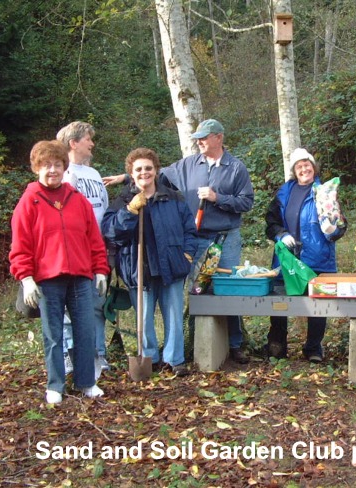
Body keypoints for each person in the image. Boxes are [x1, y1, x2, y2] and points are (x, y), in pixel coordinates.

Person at [103, 119, 254, 364]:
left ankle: (234, 343)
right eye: (198, 138)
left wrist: (218, 197)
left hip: (225, 238)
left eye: (204, 137)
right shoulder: (187, 164)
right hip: (194, 238)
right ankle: (193, 342)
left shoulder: (236, 168)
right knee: (195, 292)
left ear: (219, 137)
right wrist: (125, 177)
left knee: (226, 290)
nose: (199, 141)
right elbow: (152, 172)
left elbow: (246, 202)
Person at [9, 140, 109, 404]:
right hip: (47, 280)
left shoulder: (78, 201)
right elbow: (21, 245)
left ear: (65, 167)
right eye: (46, 165)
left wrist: (100, 270)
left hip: (79, 278)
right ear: (36, 169)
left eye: (57, 165)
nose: (52, 170)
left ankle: (87, 382)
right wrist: (26, 278)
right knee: (53, 334)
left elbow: (94, 241)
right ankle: (55, 385)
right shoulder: (29, 202)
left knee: (85, 331)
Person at [101, 148, 197, 376]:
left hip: (171, 265)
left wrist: (188, 255)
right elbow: (111, 233)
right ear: (131, 174)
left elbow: (190, 230)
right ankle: (150, 358)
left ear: (156, 170)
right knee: (143, 318)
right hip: (138, 267)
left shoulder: (173, 198)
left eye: (148, 168)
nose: (144, 173)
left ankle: (175, 359)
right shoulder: (123, 200)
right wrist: (130, 211)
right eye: (139, 169)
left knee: (173, 314)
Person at [264, 148, 346, 362]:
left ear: (313, 167)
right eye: (299, 166)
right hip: (287, 258)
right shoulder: (284, 193)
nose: (303, 169)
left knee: (318, 305)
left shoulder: (325, 192)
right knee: (279, 301)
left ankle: (313, 348)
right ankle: (277, 345)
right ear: (294, 170)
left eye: (307, 165)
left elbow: (339, 225)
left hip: (316, 257)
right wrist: (281, 234)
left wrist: (335, 227)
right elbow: (270, 222)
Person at [56, 121, 110, 374]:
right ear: (73, 143)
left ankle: (98, 353)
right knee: (70, 306)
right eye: (88, 139)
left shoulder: (94, 174)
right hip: (75, 252)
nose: (92, 143)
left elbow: (104, 208)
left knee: (97, 304)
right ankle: (69, 354)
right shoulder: (65, 176)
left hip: (99, 250)